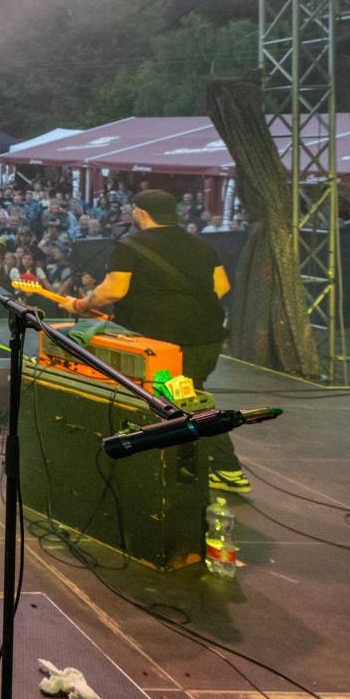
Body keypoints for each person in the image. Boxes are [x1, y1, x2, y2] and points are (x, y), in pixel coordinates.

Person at [66, 188, 248, 493]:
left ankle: (225, 467)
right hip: (206, 337)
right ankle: (199, 462)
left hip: (162, 342)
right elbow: (221, 285)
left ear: (140, 213)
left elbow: (113, 291)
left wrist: (81, 305)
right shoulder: (201, 244)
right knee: (187, 395)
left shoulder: (130, 245)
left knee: (182, 398)